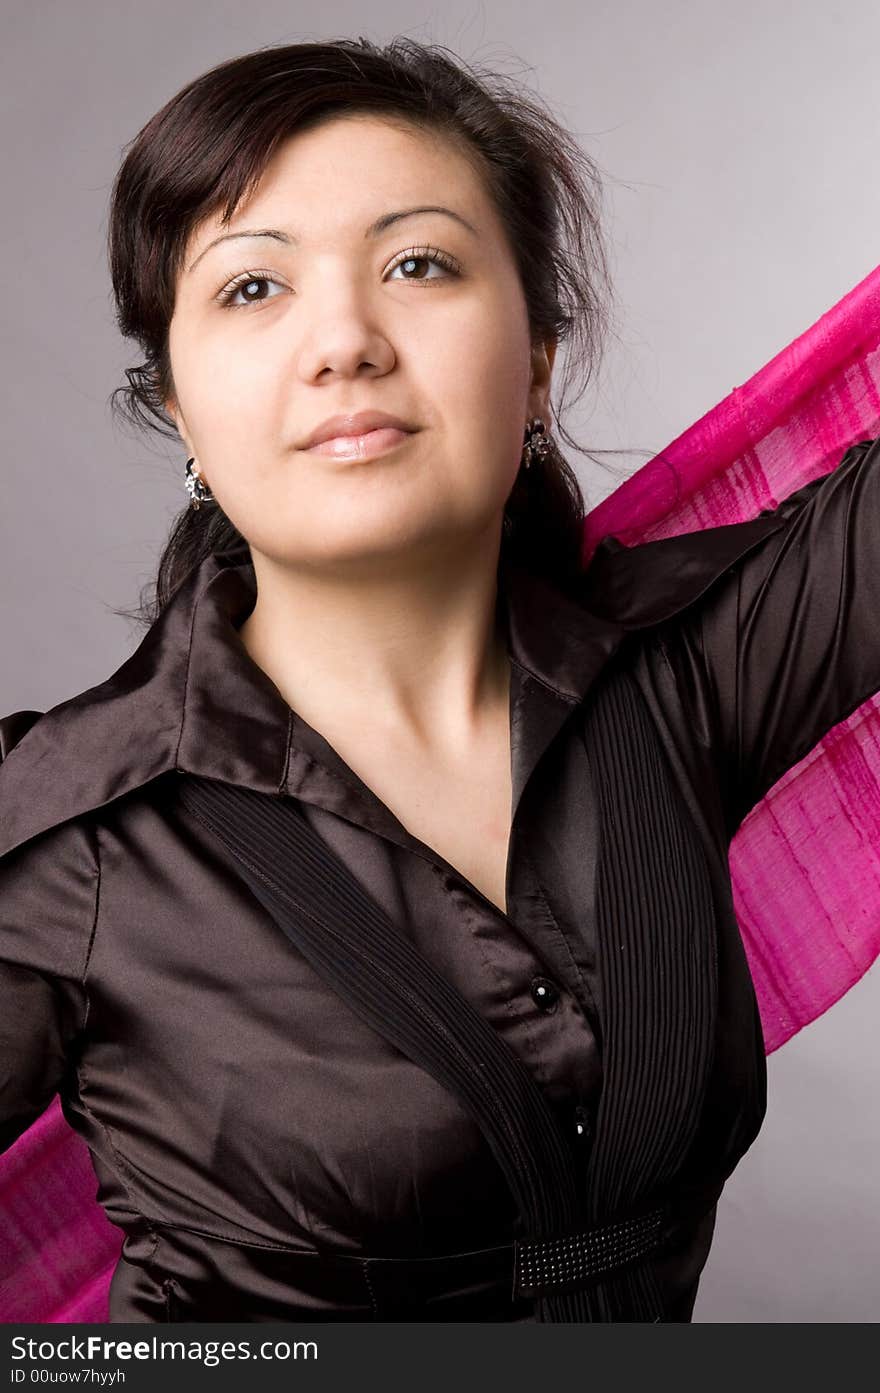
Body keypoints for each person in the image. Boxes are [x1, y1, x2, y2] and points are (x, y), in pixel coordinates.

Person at [1, 36, 879, 1324]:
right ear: (180, 408)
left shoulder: (683, 676)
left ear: (535, 360)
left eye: (418, 263)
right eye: (253, 290)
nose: (345, 340)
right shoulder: (70, 833)